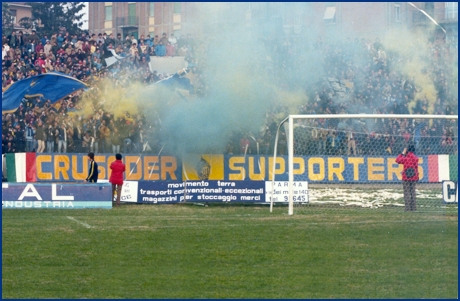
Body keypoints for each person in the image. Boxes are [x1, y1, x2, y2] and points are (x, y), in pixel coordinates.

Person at [395, 144, 419, 211]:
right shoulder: (415, 158)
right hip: (413, 176)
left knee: (406, 193)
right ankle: (414, 207)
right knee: (413, 192)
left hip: (406, 177)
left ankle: (407, 207)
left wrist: (402, 153)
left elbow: (397, 160)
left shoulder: (405, 158)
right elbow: (416, 168)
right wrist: (417, 176)